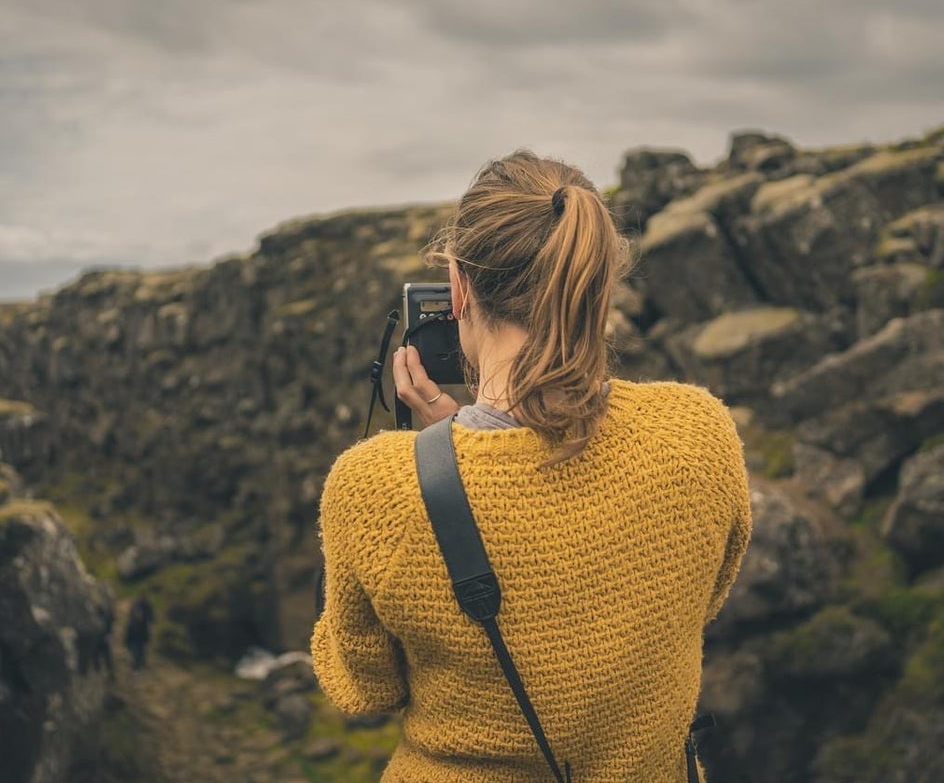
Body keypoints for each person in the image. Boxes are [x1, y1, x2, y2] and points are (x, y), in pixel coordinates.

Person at [312, 150, 752, 782]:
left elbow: (364, 687)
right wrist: (458, 453)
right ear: (598, 285)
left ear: (459, 288)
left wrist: (445, 459)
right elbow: (691, 603)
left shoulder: (377, 489)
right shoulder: (697, 432)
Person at [124, 595, 155, 671]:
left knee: (139, 649)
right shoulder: (145, 607)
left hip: (138, 635)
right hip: (137, 635)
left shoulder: (138, 608)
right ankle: (138, 664)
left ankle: (138, 663)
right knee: (138, 650)